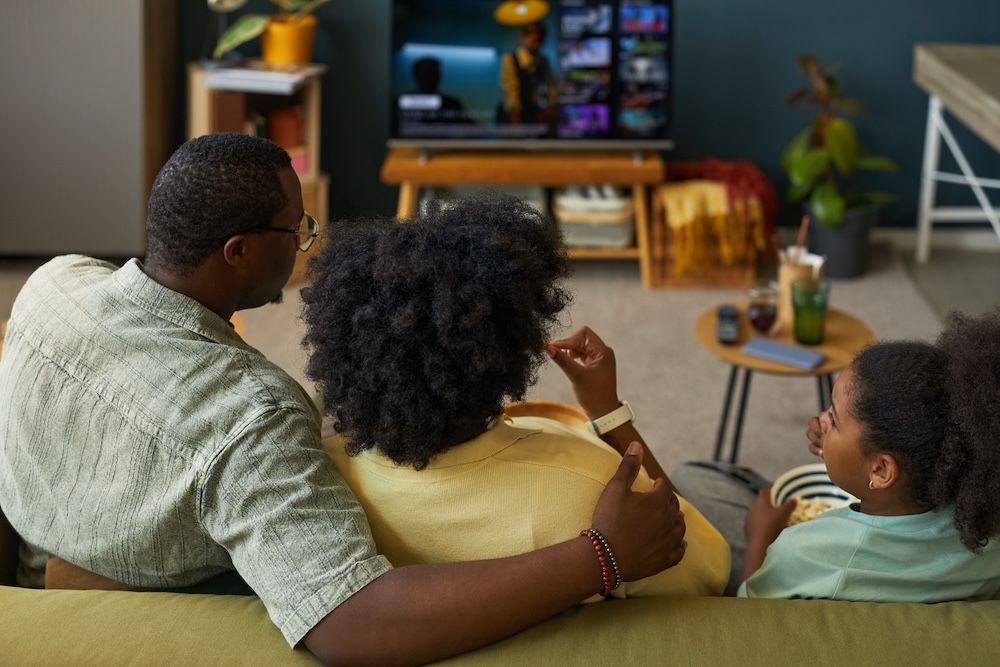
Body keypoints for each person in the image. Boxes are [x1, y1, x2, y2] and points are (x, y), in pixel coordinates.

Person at [0, 133, 686, 666]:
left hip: (35, 532)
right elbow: (348, 623)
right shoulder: (255, 416)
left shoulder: (54, 280)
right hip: (145, 587)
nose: (306, 244)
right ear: (236, 252)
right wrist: (599, 554)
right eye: (295, 230)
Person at [301, 190, 730, 600]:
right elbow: (709, 567)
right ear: (511, 349)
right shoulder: (600, 490)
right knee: (705, 474)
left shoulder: (324, 475)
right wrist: (609, 413)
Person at [739, 308, 1000, 601]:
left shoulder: (810, 551)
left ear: (880, 471)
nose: (821, 421)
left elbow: (749, 608)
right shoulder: (986, 524)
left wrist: (758, 537)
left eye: (834, 421)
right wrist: (841, 445)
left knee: (702, 476)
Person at [498, 22, 557, 127]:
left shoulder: (543, 61)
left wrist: (550, 108)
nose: (538, 45)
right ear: (524, 38)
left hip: (533, 113)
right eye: (535, 40)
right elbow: (512, 93)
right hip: (512, 115)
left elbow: (551, 89)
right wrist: (516, 123)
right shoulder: (510, 59)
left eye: (541, 41)